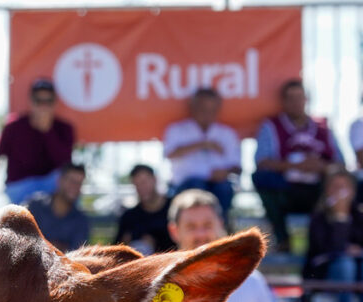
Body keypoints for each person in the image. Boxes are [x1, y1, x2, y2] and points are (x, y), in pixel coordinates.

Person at [168, 189, 294, 302]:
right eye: (191, 227)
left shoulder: (251, 281)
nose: (201, 234)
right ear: (174, 231)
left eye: (208, 225)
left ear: (220, 224)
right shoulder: (160, 286)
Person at [252, 79, 344, 252]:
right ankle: (283, 239)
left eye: (299, 97)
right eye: (290, 98)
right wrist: (294, 166)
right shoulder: (271, 126)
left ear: (306, 99)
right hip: (286, 190)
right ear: (284, 102)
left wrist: (320, 166)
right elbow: (261, 161)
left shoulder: (323, 126)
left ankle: (331, 242)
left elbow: (341, 164)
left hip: (318, 190)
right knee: (261, 177)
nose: (295, 102)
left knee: (342, 181)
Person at [0, 79, 75, 205]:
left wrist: (47, 132)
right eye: (39, 101)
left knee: (66, 183)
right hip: (20, 187)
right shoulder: (14, 126)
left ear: (55, 103)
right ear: (31, 101)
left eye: (48, 101)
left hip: (52, 190)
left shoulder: (64, 128)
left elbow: (65, 164)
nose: (43, 106)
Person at [162, 87, 241, 216]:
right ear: (192, 107)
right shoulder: (176, 129)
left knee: (224, 188)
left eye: (212, 109)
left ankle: (219, 229)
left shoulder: (227, 133)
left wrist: (224, 172)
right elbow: (169, 154)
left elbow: (237, 167)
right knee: (196, 187)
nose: (207, 113)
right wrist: (203, 144)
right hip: (185, 185)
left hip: (219, 186)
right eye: (203, 109)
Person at [304, 170, 363, 302]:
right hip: (325, 272)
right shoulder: (319, 217)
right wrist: (340, 216)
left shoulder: (359, 215)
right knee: (345, 264)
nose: (341, 192)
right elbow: (328, 248)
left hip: (357, 270)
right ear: (327, 189)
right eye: (336, 187)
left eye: (345, 187)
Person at [25, 163, 89, 251]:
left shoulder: (81, 220)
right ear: (60, 180)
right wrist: (59, 247)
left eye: (79, 183)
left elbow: (75, 255)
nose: (75, 186)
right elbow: (23, 241)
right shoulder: (34, 206)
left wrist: (40, 243)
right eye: (72, 181)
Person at [115, 164, 175, 255]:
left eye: (144, 182)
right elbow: (117, 250)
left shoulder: (176, 207)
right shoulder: (129, 217)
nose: (141, 188)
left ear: (155, 179)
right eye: (136, 184)